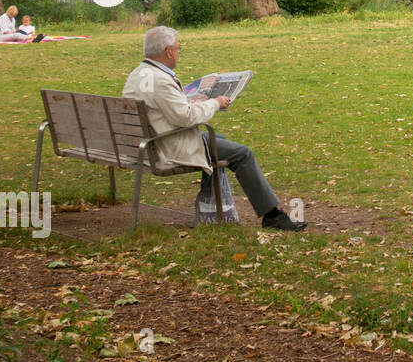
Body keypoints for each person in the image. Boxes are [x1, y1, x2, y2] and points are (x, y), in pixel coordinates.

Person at [123, 26, 306, 231]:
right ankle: (272, 215)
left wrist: (191, 100)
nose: (178, 52)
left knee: (219, 141)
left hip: (147, 142)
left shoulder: (139, 74)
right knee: (242, 153)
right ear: (168, 51)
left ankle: (214, 201)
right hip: (165, 147)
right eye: (177, 48)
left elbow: (166, 108)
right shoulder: (160, 80)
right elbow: (187, 117)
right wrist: (216, 103)